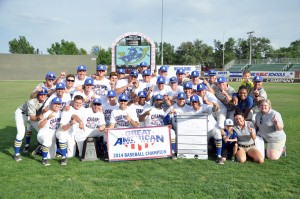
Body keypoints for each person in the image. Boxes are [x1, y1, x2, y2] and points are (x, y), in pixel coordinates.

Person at [14, 87, 48, 161]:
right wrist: (39, 118)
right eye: (41, 94)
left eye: (44, 94)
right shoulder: (32, 102)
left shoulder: (46, 99)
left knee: (42, 130)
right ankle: (16, 154)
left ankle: (40, 147)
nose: (43, 96)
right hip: (21, 114)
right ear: (37, 95)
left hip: (32, 115)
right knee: (21, 133)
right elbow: (32, 118)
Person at [188, 95, 223, 164]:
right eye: (192, 102)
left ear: (198, 102)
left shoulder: (205, 107)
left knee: (218, 134)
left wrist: (215, 106)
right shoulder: (190, 110)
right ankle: (210, 148)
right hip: (201, 132)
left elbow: (214, 109)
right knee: (201, 150)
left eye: (195, 102)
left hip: (211, 129)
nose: (194, 103)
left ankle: (218, 156)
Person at [56, 95, 86, 165]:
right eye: (76, 102)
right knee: (62, 135)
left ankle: (57, 150)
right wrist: (71, 123)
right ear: (72, 102)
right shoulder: (67, 110)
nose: (78, 104)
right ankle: (63, 157)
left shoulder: (84, 109)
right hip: (63, 131)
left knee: (71, 155)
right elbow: (63, 127)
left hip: (72, 133)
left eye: (80, 103)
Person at [37, 97, 62, 166]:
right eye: (55, 104)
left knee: (52, 156)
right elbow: (39, 126)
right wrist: (47, 118)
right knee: (47, 141)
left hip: (53, 137)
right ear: (51, 104)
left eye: (58, 104)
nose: (57, 105)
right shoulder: (46, 113)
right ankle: (44, 159)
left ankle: (40, 149)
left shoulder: (61, 113)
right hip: (43, 134)